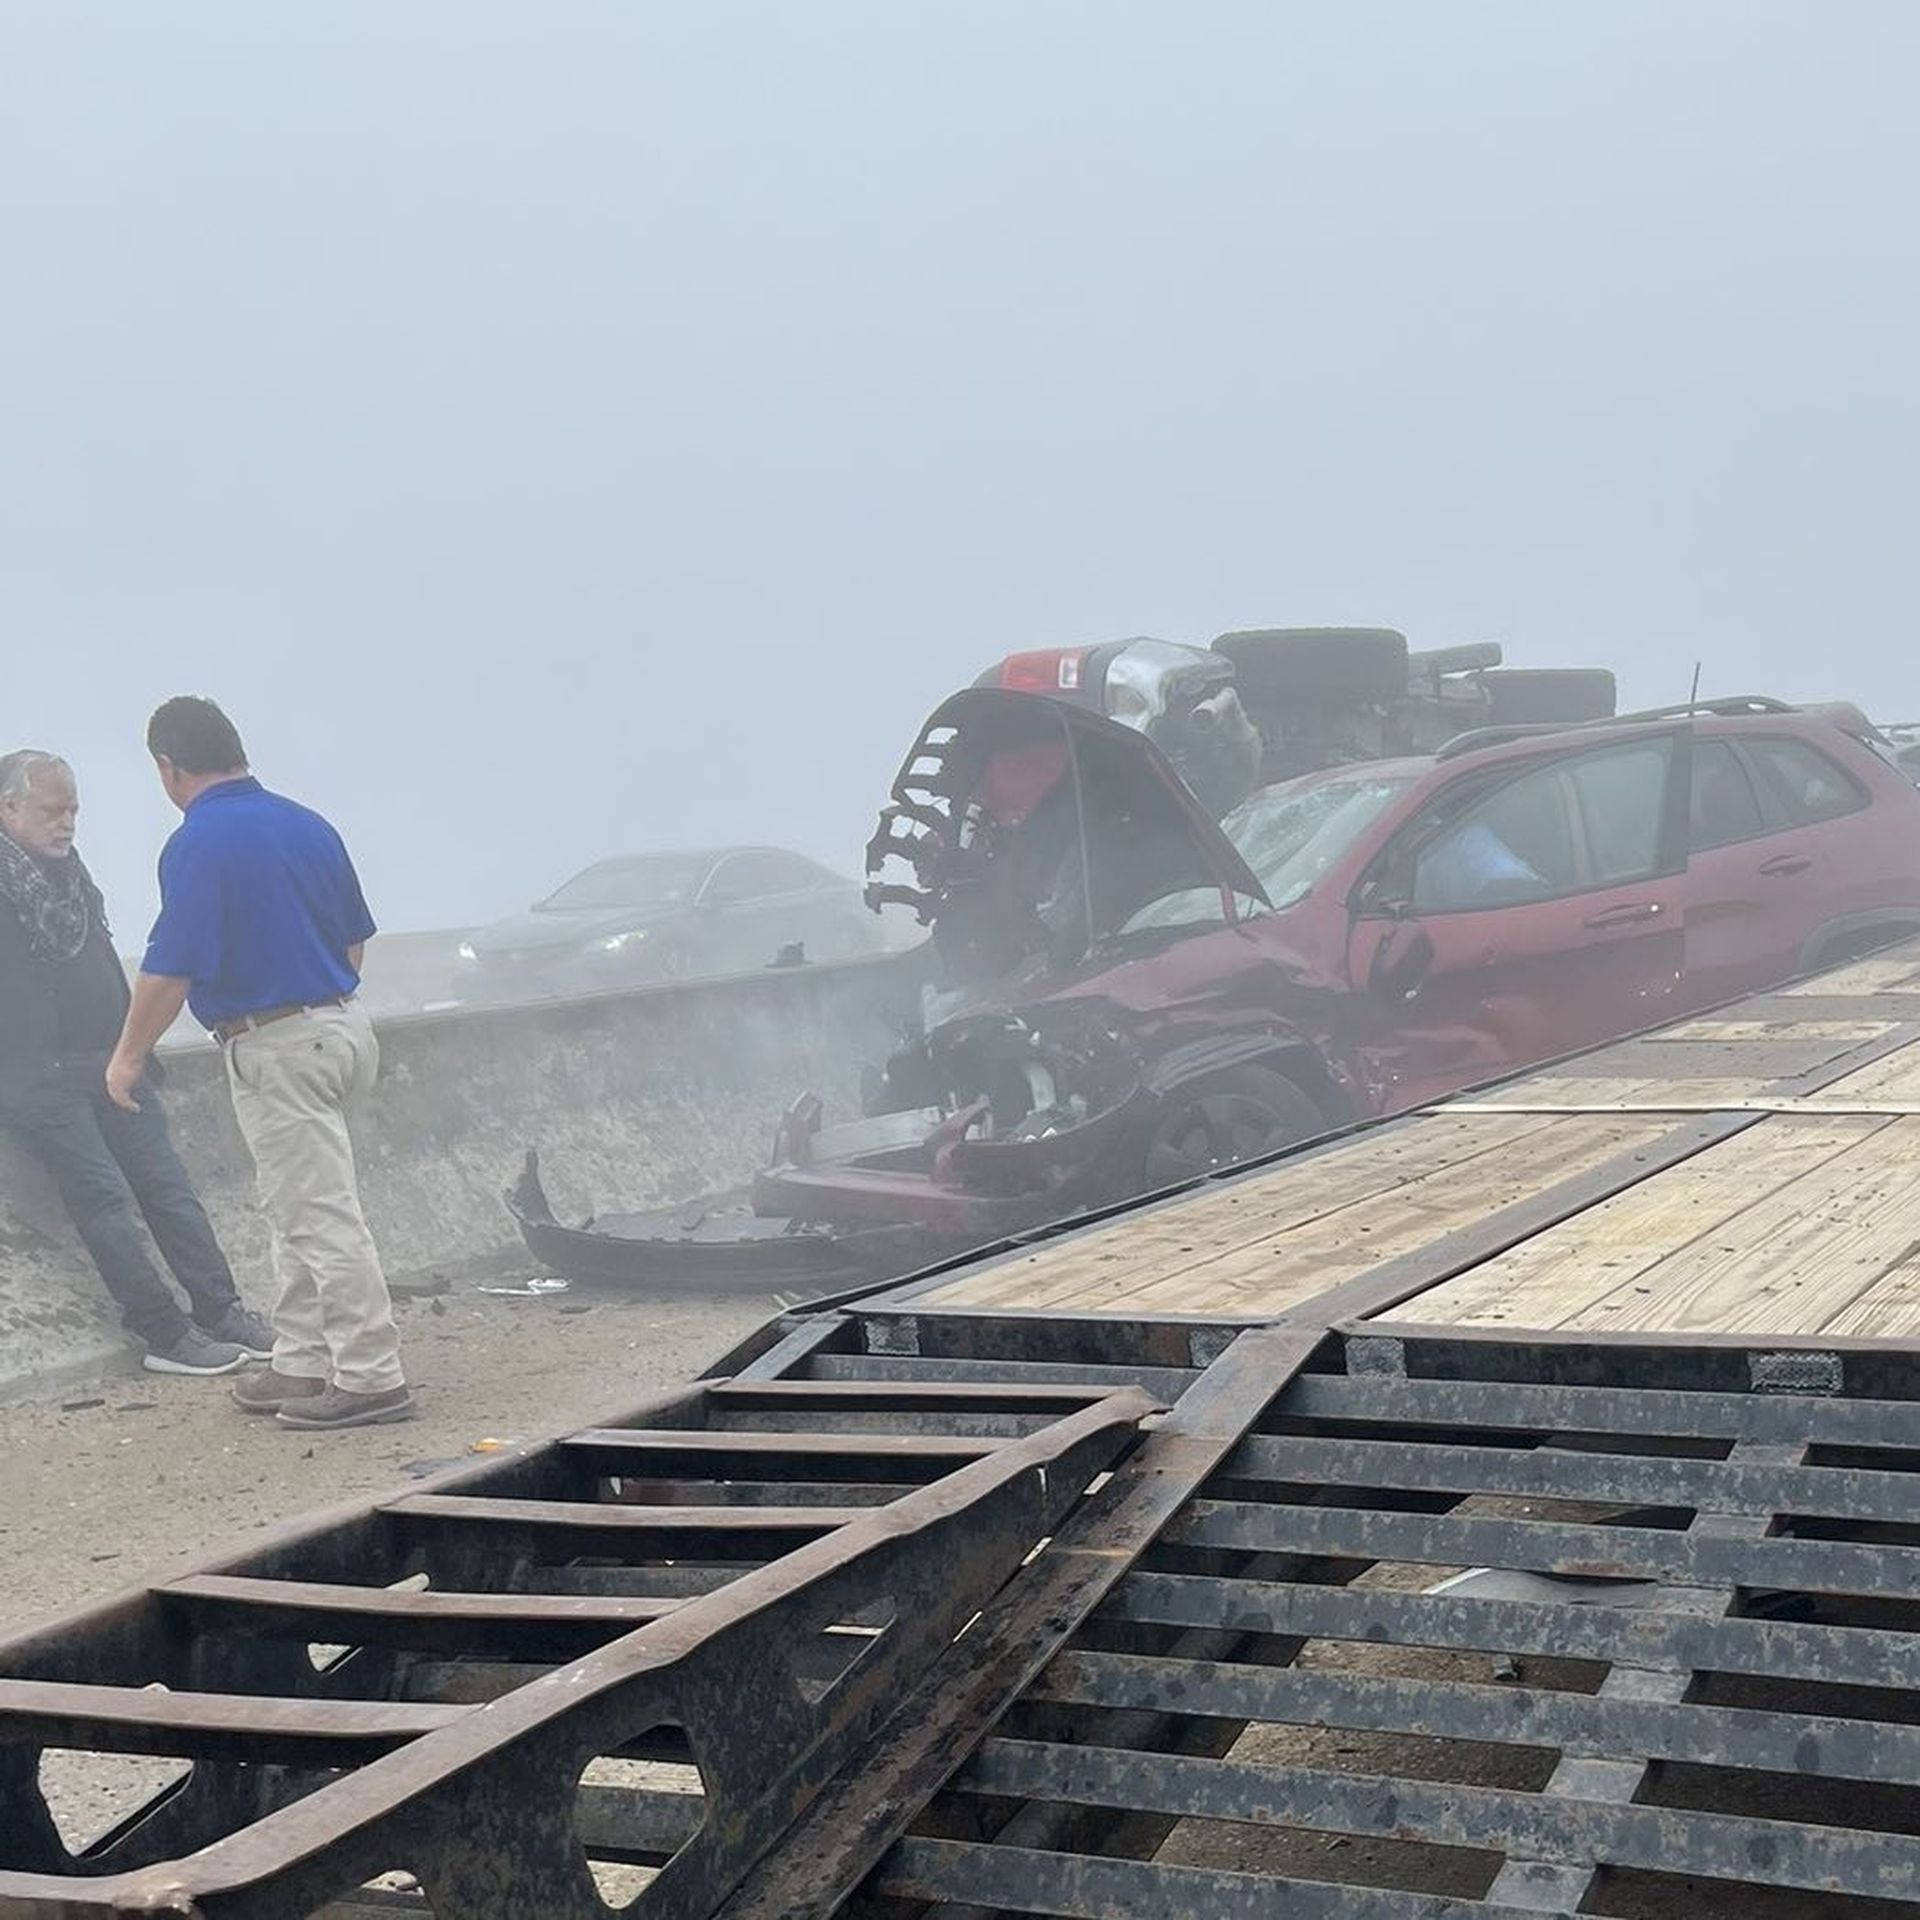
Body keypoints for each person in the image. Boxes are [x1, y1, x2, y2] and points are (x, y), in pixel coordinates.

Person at [105, 699, 415, 1430]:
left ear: (168, 767)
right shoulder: (308, 824)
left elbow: (170, 968)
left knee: (319, 1213)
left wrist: (125, 1058)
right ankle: (304, 1361)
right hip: (340, 1027)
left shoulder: (198, 841)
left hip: (276, 1043)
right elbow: (353, 944)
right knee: (295, 1204)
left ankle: (372, 1375)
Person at [0, 750, 269, 1374]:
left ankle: (221, 1310)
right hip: (37, 1077)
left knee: (168, 1188)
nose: (66, 822)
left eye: (73, 810)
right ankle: (163, 1334)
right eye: (51, 810)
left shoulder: (71, 876)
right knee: (103, 1199)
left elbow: (102, 970)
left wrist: (135, 1054)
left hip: (108, 1060)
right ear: (8, 808)